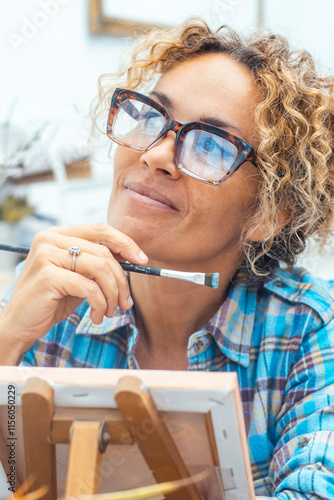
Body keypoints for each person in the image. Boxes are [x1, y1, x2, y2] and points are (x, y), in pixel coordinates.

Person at [1, 18, 334, 498]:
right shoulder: (49, 296)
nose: (157, 153)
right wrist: (7, 337)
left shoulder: (309, 330)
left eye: (212, 145)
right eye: (152, 116)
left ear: (268, 213)